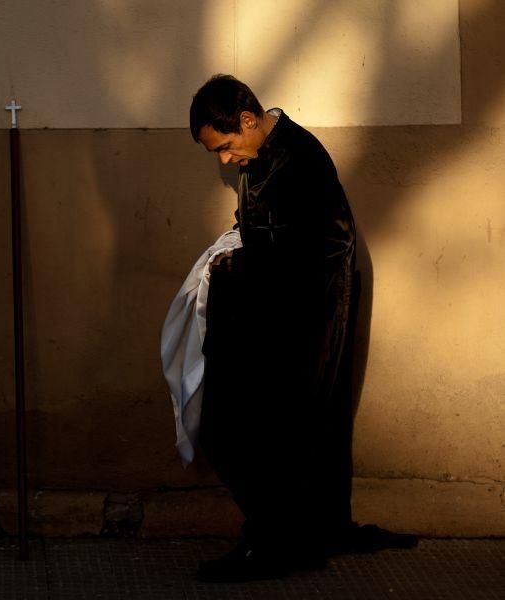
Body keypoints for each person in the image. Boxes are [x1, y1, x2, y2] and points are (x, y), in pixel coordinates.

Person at [187, 74, 415, 582]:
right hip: (275, 320)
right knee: (272, 430)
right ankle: (300, 536)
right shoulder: (265, 155)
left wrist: (236, 273)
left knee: (236, 427)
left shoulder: (301, 159)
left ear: (247, 120)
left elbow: (320, 251)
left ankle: (277, 544)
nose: (224, 160)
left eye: (225, 147)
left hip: (300, 327)